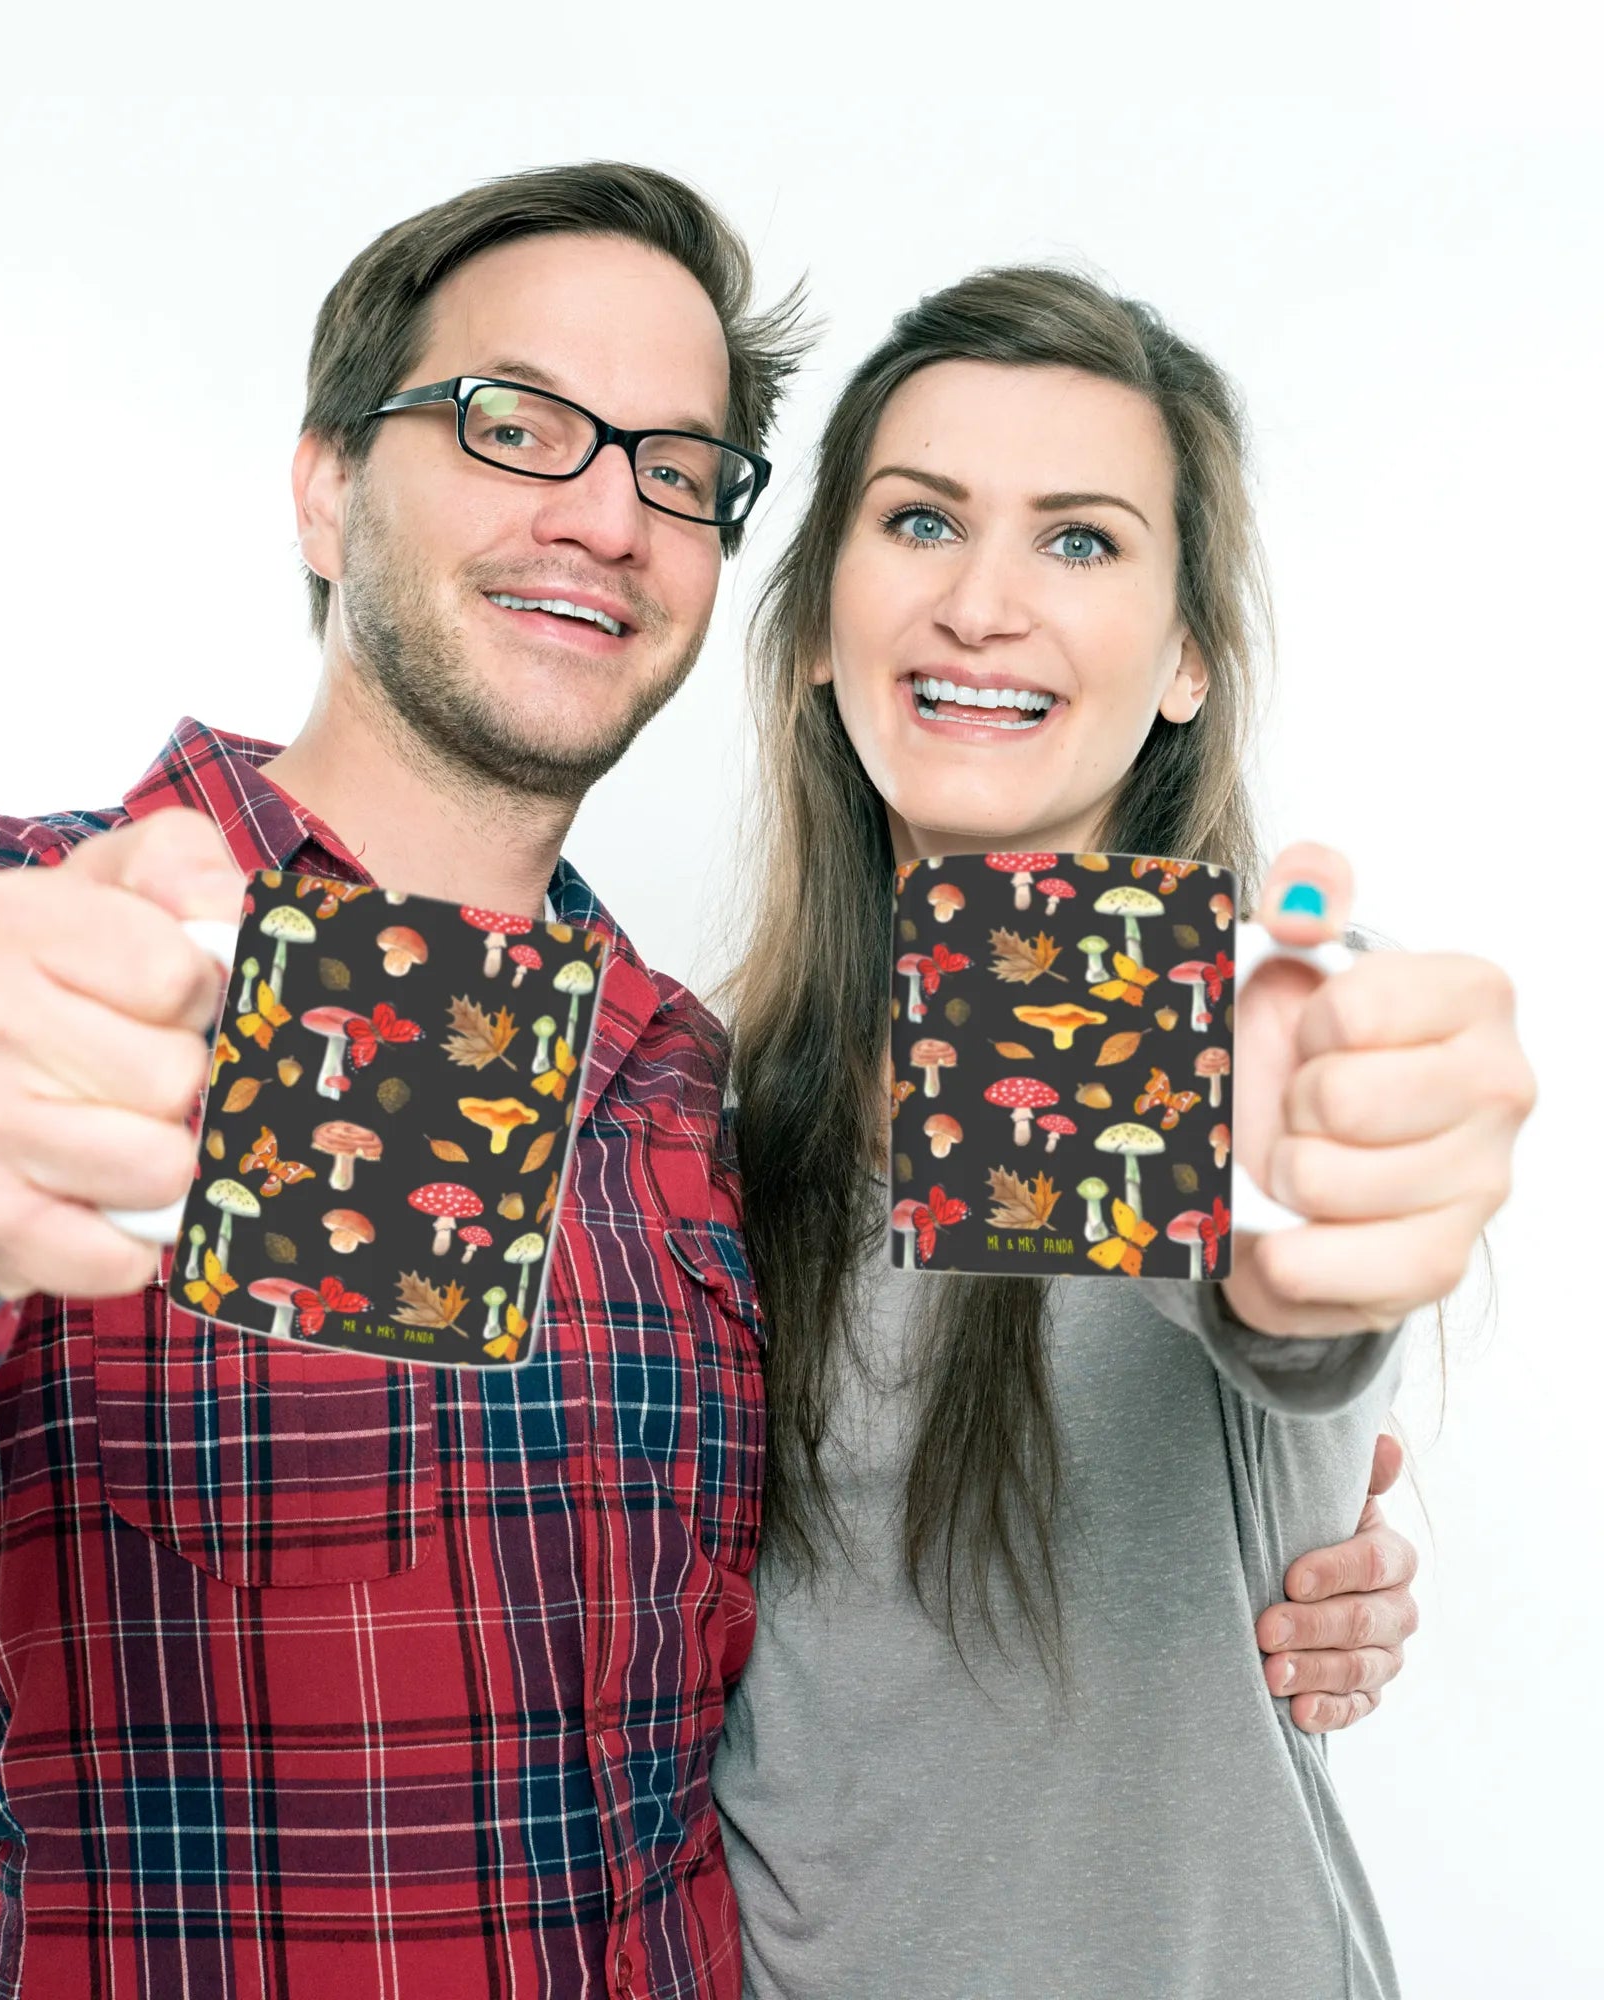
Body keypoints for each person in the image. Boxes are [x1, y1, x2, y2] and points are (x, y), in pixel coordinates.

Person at [0, 164, 1426, 1999]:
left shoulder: (684, 1085)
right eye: (516, 424)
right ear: (327, 483)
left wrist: (1313, 1401)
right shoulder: (54, 926)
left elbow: (1278, 1261)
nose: (604, 513)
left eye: (675, 466)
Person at [713, 267, 1536, 1997]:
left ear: (1185, 661)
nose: (983, 604)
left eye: (1080, 540)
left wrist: (1331, 1221)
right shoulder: (705, 1107)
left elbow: (1286, 1282)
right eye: (921, 520)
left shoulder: (1239, 1020)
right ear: (815, 626)